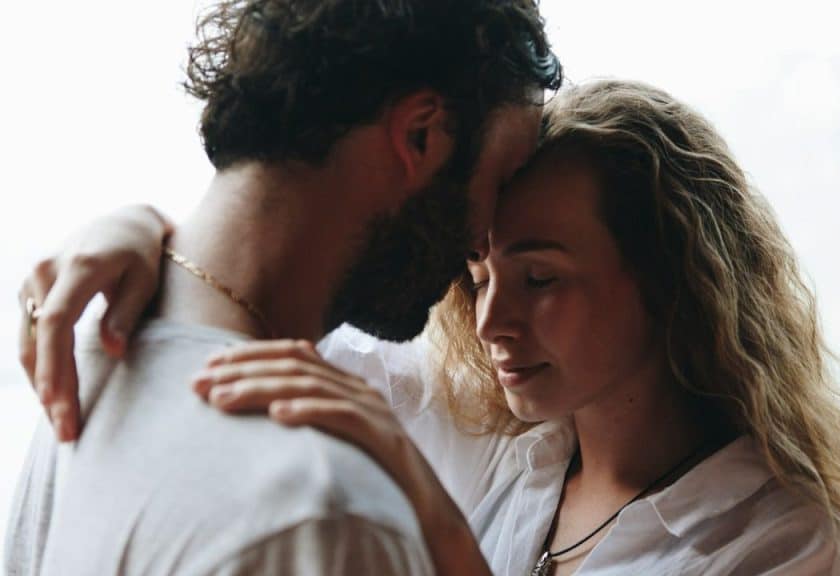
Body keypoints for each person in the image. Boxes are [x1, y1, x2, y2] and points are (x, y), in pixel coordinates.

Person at [15, 80, 840, 575]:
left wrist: (425, 506)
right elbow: (251, 285)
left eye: (539, 278)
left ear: (677, 285)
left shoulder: (786, 546)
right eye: (479, 272)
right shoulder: (494, 432)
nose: (491, 320)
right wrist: (134, 229)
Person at [6, 0, 561, 575]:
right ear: (420, 135)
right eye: (498, 178)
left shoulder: (85, 355)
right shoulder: (323, 512)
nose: (481, 241)